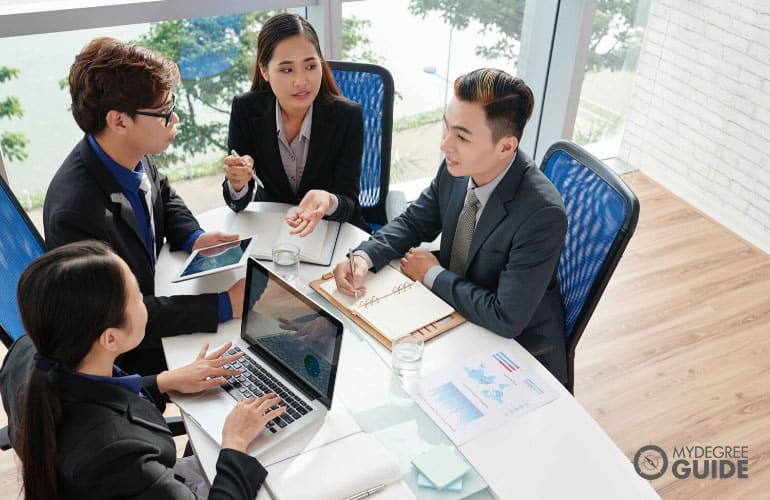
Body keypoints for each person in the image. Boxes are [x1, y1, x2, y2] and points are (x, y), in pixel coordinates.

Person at [333, 68, 569, 384]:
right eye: (447, 129)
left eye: (461, 136)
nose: (445, 145)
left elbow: (506, 317)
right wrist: (364, 256)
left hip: (514, 353)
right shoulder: (459, 167)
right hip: (455, 313)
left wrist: (431, 274)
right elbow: (415, 220)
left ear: (506, 147)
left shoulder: (542, 215)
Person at [0, 241, 285, 499]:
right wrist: (234, 444)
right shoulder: (116, 456)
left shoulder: (29, 351)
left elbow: (88, 400)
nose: (145, 302)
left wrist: (162, 381)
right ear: (110, 338)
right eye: (137, 298)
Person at [43, 37, 246, 375]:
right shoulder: (76, 214)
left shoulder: (126, 152)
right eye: (164, 112)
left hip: (158, 297)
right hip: (131, 357)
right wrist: (224, 305)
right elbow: (121, 320)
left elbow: (161, 192)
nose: (175, 118)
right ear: (119, 121)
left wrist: (193, 236)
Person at [222, 13, 369, 235]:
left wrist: (328, 201)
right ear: (265, 71)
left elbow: (349, 205)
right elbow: (238, 205)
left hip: (328, 232)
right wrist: (238, 184)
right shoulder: (246, 109)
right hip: (271, 230)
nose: (301, 81)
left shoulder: (347, 116)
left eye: (310, 66)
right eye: (287, 69)